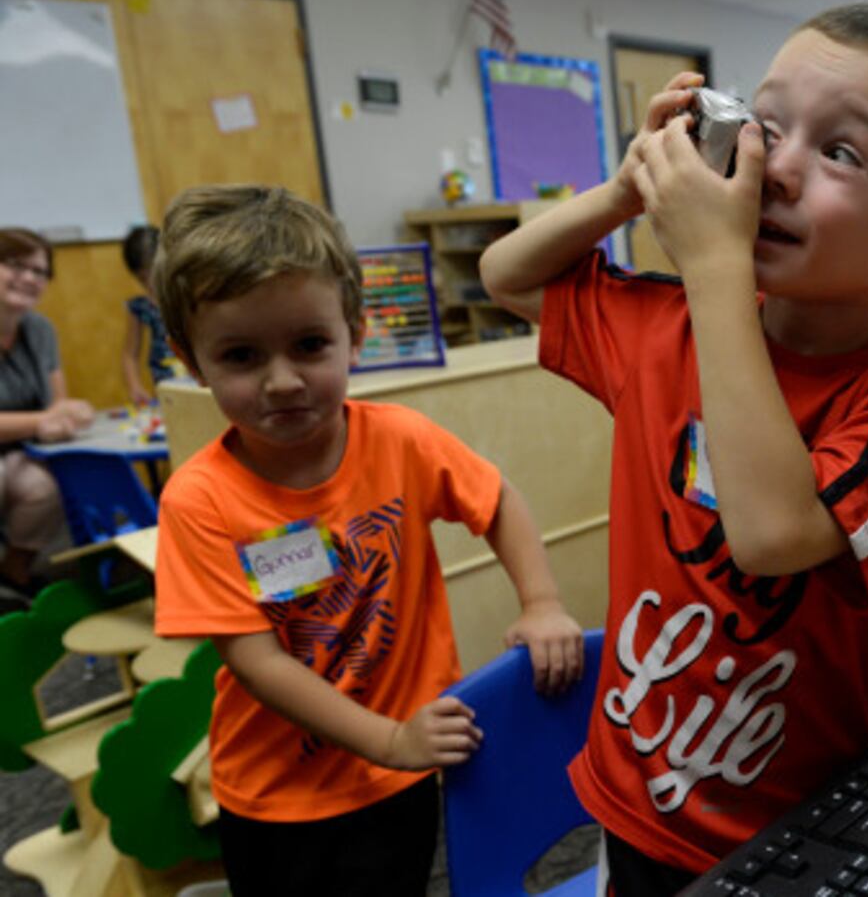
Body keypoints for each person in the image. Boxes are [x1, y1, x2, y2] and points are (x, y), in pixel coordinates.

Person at [479, 2, 868, 889]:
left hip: (808, 820)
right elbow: (506, 276)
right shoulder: (664, 326)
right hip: (635, 796)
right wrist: (624, 193)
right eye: (766, 126)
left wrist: (714, 263)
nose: (776, 169)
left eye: (841, 151)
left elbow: (772, 533)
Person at [148, 185, 584, 896]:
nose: (283, 381)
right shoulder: (201, 500)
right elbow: (257, 663)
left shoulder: (401, 440)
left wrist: (540, 601)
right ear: (191, 361)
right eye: (241, 356)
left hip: (394, 776)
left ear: (355, 329)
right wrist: (389, 739)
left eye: (310, 345)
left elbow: (497, 498)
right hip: (275, 796)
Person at [0, 227, 93, 606]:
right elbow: (47, 416)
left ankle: (14, 572)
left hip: (22, 451)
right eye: (14, 264)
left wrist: (69, 415)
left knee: (52, 482)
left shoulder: (40, 329)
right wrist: (42, 421)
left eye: (39, 271)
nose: (29, 277)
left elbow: (59, 402)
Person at [120, 224, 177, 405]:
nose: (150, 284)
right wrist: (135, 386)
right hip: (165, 380)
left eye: (153, 274)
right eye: (142, 279)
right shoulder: (140, 307)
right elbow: (130, 354)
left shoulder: (187, 297)